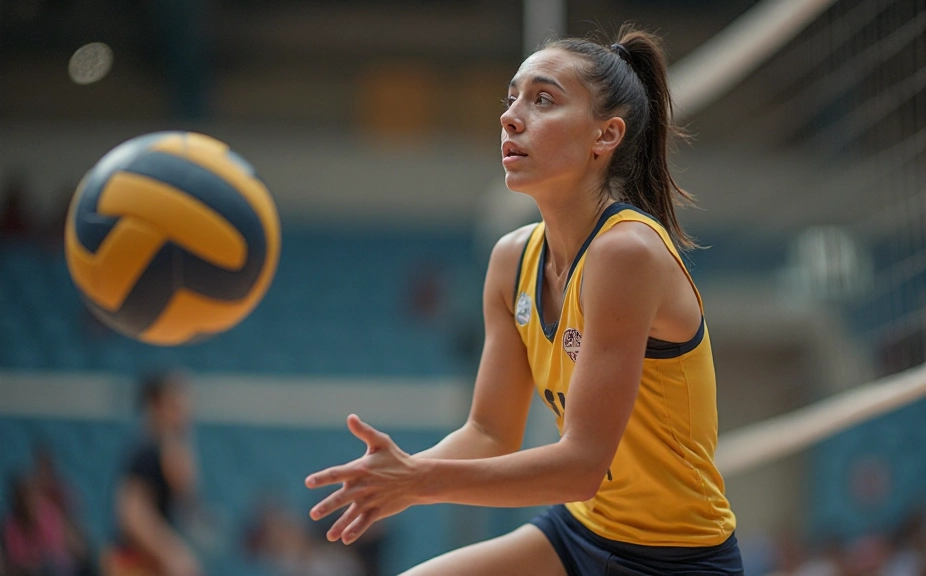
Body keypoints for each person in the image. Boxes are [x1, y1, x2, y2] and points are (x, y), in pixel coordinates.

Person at [305, 26, 742, 576]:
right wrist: (400, 473)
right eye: (511, 98)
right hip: (577, 531)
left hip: (676, 560)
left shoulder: (626, 252)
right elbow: (489, 433)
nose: (511, 116)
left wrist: (421, 482)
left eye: (543, 99)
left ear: (605, 136)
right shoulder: (512, 259)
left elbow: (582, 465)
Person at [106, 373, 202, 576]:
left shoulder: (165, 449)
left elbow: (185, 490)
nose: (184, 411)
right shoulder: (146, 453)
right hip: (136, 563)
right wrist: (170, 553)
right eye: (175, 404)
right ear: (155, 406)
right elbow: (132, 516)